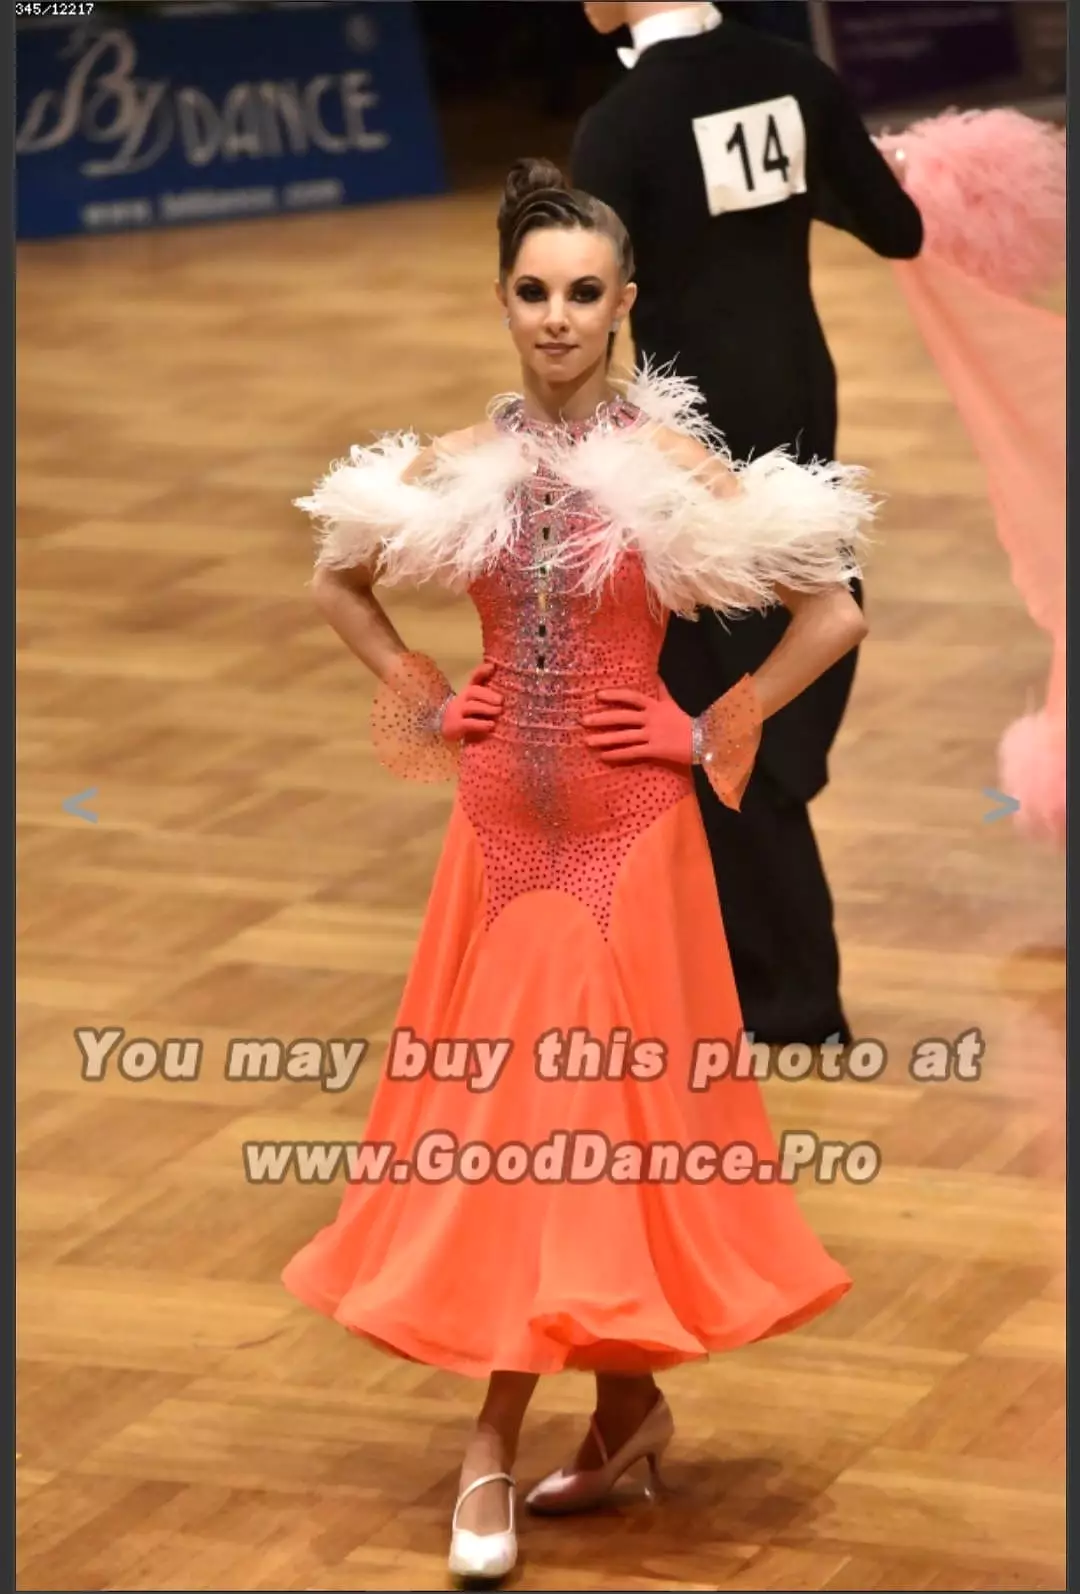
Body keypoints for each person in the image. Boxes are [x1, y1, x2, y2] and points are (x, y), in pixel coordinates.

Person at [284, 157, 873, 1586]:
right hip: (495, 831)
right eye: (533, 292)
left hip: (625, 834)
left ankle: (493, 1438)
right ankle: (622, 1411)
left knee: (563, 1121)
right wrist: (429, 698)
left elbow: (832, 613)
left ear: (624, 305)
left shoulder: (670, 464)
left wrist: (705, 722)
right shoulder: (459, 460)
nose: (557, 317)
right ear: (504, 301)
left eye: (583, 294)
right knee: (549, 1126)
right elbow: (335, 575)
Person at [571, 0, 923, 1046]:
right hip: (805, 418)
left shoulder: (622, 122)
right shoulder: (794, 77)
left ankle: (785, 1000)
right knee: (766, 682)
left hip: (696, 449)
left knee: (718, 712)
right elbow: (896, 227)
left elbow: (582, 309)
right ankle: (756, 981)